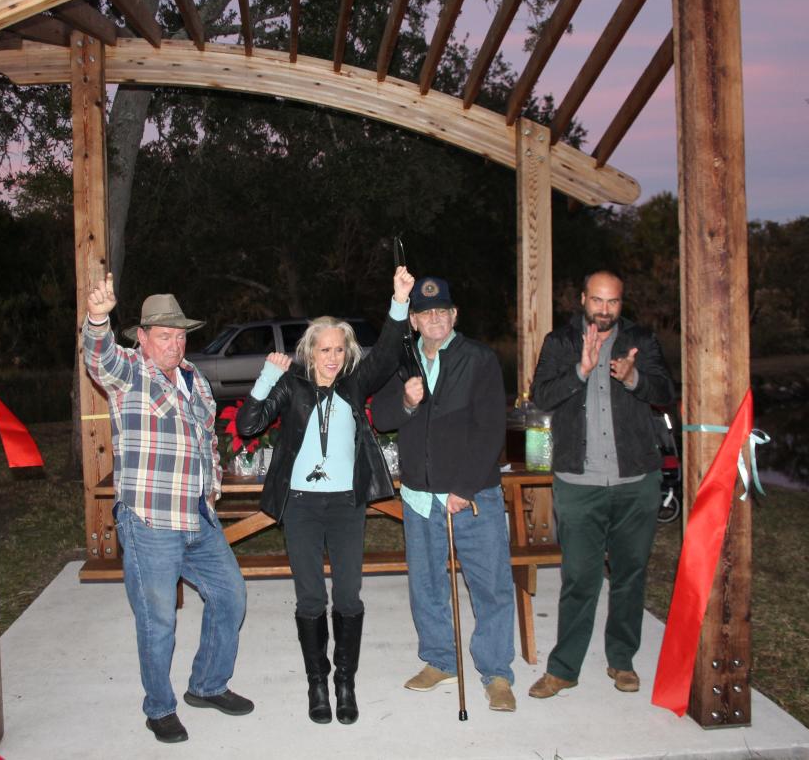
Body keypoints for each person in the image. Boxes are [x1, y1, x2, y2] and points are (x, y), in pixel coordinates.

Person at [236, 265, 414, 725]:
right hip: (301, 505)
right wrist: (264, 381)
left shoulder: (354, 384)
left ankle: (345, 682)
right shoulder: (292, 385)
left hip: (346, 505)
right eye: (324, 349)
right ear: (309, 351)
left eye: (339, 349)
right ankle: (317, 683)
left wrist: (398, 301)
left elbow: (391, 351)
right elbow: (247, 426)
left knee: (349, 598)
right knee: (311, 599)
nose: (332, 357)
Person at [83, 274, 252, 744]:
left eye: (180, 335)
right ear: (142, 337)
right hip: (151, 522)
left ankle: (208, 685)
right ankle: (159, 707)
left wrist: (214, 484)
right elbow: (97, 356)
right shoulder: (128, 372)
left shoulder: (194, 377)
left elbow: (207, 438)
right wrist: (98, 318)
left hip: (198, 517)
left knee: (231, 596)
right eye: (164, 335)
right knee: (158, 621)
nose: (175, 344)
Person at [371, 276, 518, 713]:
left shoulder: (479, 359)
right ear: (413, 320)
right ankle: (439, 659)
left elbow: (492, 428)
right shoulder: (401, 362)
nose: (434, 318)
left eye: (442, 311)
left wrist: (464, 487)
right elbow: (379, 416)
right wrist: (407, 401)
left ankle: (496, 673)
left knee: (490, 585)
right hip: (419, 497)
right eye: (425, 313)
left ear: (454, 315)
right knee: (427, 585)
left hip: (472, 497)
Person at [527, 269, 676, 699]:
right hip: (578, 481)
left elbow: (665, 390)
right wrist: (580, 370)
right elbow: (542, 395)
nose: (605, 310)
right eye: (598, 301)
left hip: (636, 479)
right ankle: (564, 668)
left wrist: (633, 379)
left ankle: (622, 660)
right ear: (582, 299)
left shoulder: (641, 340)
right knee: (580, 578)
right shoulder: (560, 342)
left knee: (630, 573)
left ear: (621, 303)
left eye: (613, 302)